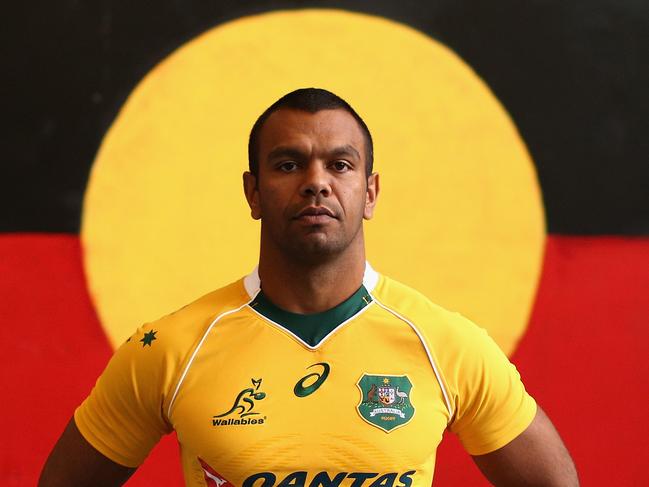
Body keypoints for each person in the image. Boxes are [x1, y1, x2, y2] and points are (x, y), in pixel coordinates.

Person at [40, 88, 579, 487]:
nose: (315, 181)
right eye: (288, 163)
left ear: (369, 192)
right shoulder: (172, 347)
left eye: (339, 164)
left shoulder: (446, 345)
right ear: (253, 193)